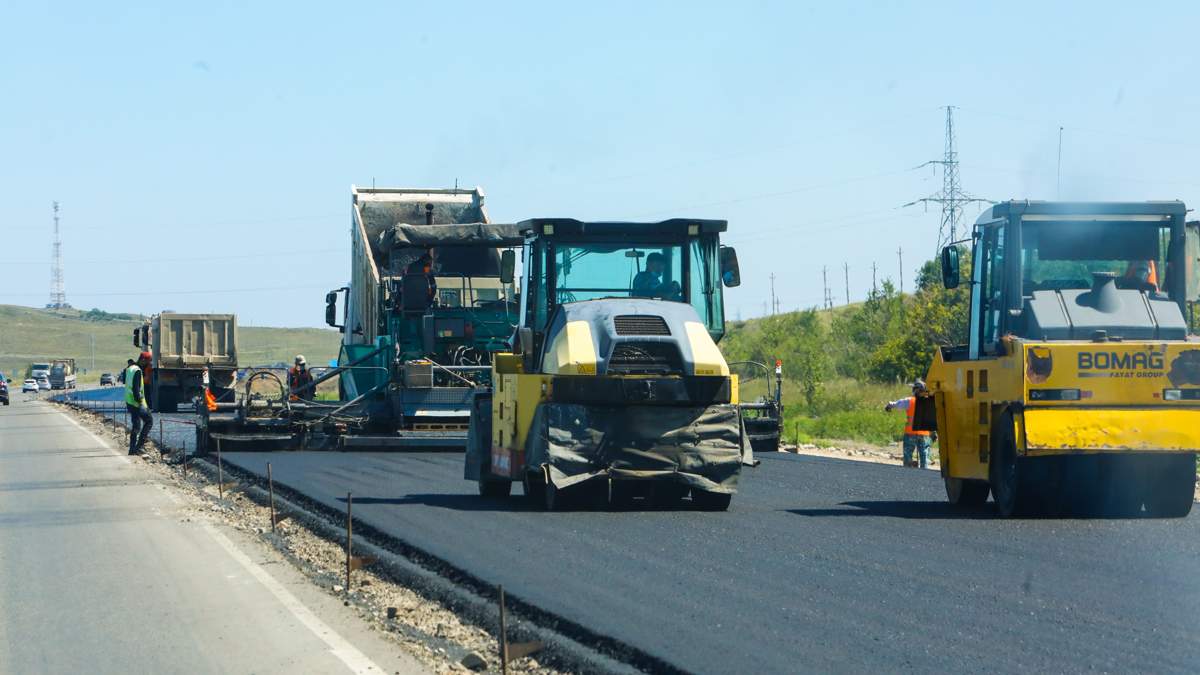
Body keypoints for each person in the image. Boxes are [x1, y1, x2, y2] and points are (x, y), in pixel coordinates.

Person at [884, 379, 935, 468]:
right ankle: (924, 473)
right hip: (924, 435)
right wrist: (934, 433)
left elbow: (895, 404)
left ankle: (908, 473)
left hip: (910, 434)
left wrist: (888, 406)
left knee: (908, 457)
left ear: (915, 390)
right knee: (924, 457)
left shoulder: (909, 401)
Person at [124, 353, 153, 455]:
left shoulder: (130, 369)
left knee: (136, 425)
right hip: (136, 402)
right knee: (149, 421)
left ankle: (132, 449)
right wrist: (140, 402)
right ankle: (139, 447)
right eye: (148, 362)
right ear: (143, 360)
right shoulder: (137, 371)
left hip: (129, 401)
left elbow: (126, 382)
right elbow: (136, 389)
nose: (148, 365)